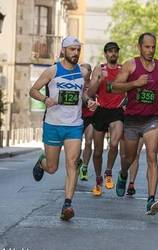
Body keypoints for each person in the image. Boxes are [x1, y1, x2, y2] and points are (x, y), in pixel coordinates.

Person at [30, 36, 97, 221]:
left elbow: (82, 95)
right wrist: (45, 99)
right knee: (52, 168)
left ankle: (67, 204)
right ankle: (42, 162)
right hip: (53, 124)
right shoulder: (52, 70)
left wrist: (89, 102)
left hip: (74, 125)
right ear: (64, 51)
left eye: (78, 50)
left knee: (72, 162)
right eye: (72, 49)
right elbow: (33, 90)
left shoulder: (82, 73)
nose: (76, 53)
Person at [112, 32, 158, 215]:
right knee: (129, 158)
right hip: (132, 120)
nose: (150, 50)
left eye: (153, 47)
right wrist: (135, 83)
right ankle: (124, 173)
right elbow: (114, 86)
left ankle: (150, 200)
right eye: (147, 47)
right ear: (139, 47)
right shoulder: (130, 65)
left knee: (152, 157)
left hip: (152, 120)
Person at [87, 42, 124, 196]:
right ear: (106, 54)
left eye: (115, 51)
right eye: (110, 51)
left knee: (114, 144)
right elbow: (90, 93)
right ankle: (98, 178)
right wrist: (99, 80)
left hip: (117, 111)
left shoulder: (123, 70)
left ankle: (108, 171)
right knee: (97, 151)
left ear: (118, 54)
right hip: (101, 111)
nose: (113, 54)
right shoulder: (99, 69)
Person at [79, 63, 94, 181]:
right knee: (76, 143)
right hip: (78, 116)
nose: (84, 71)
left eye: (87, 69)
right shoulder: (77, 82)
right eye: (82, 69)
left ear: (90, 71)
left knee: (88, 142)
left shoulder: (94, 84)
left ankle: (84, 167)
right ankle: (75, 162)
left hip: (91, 117)